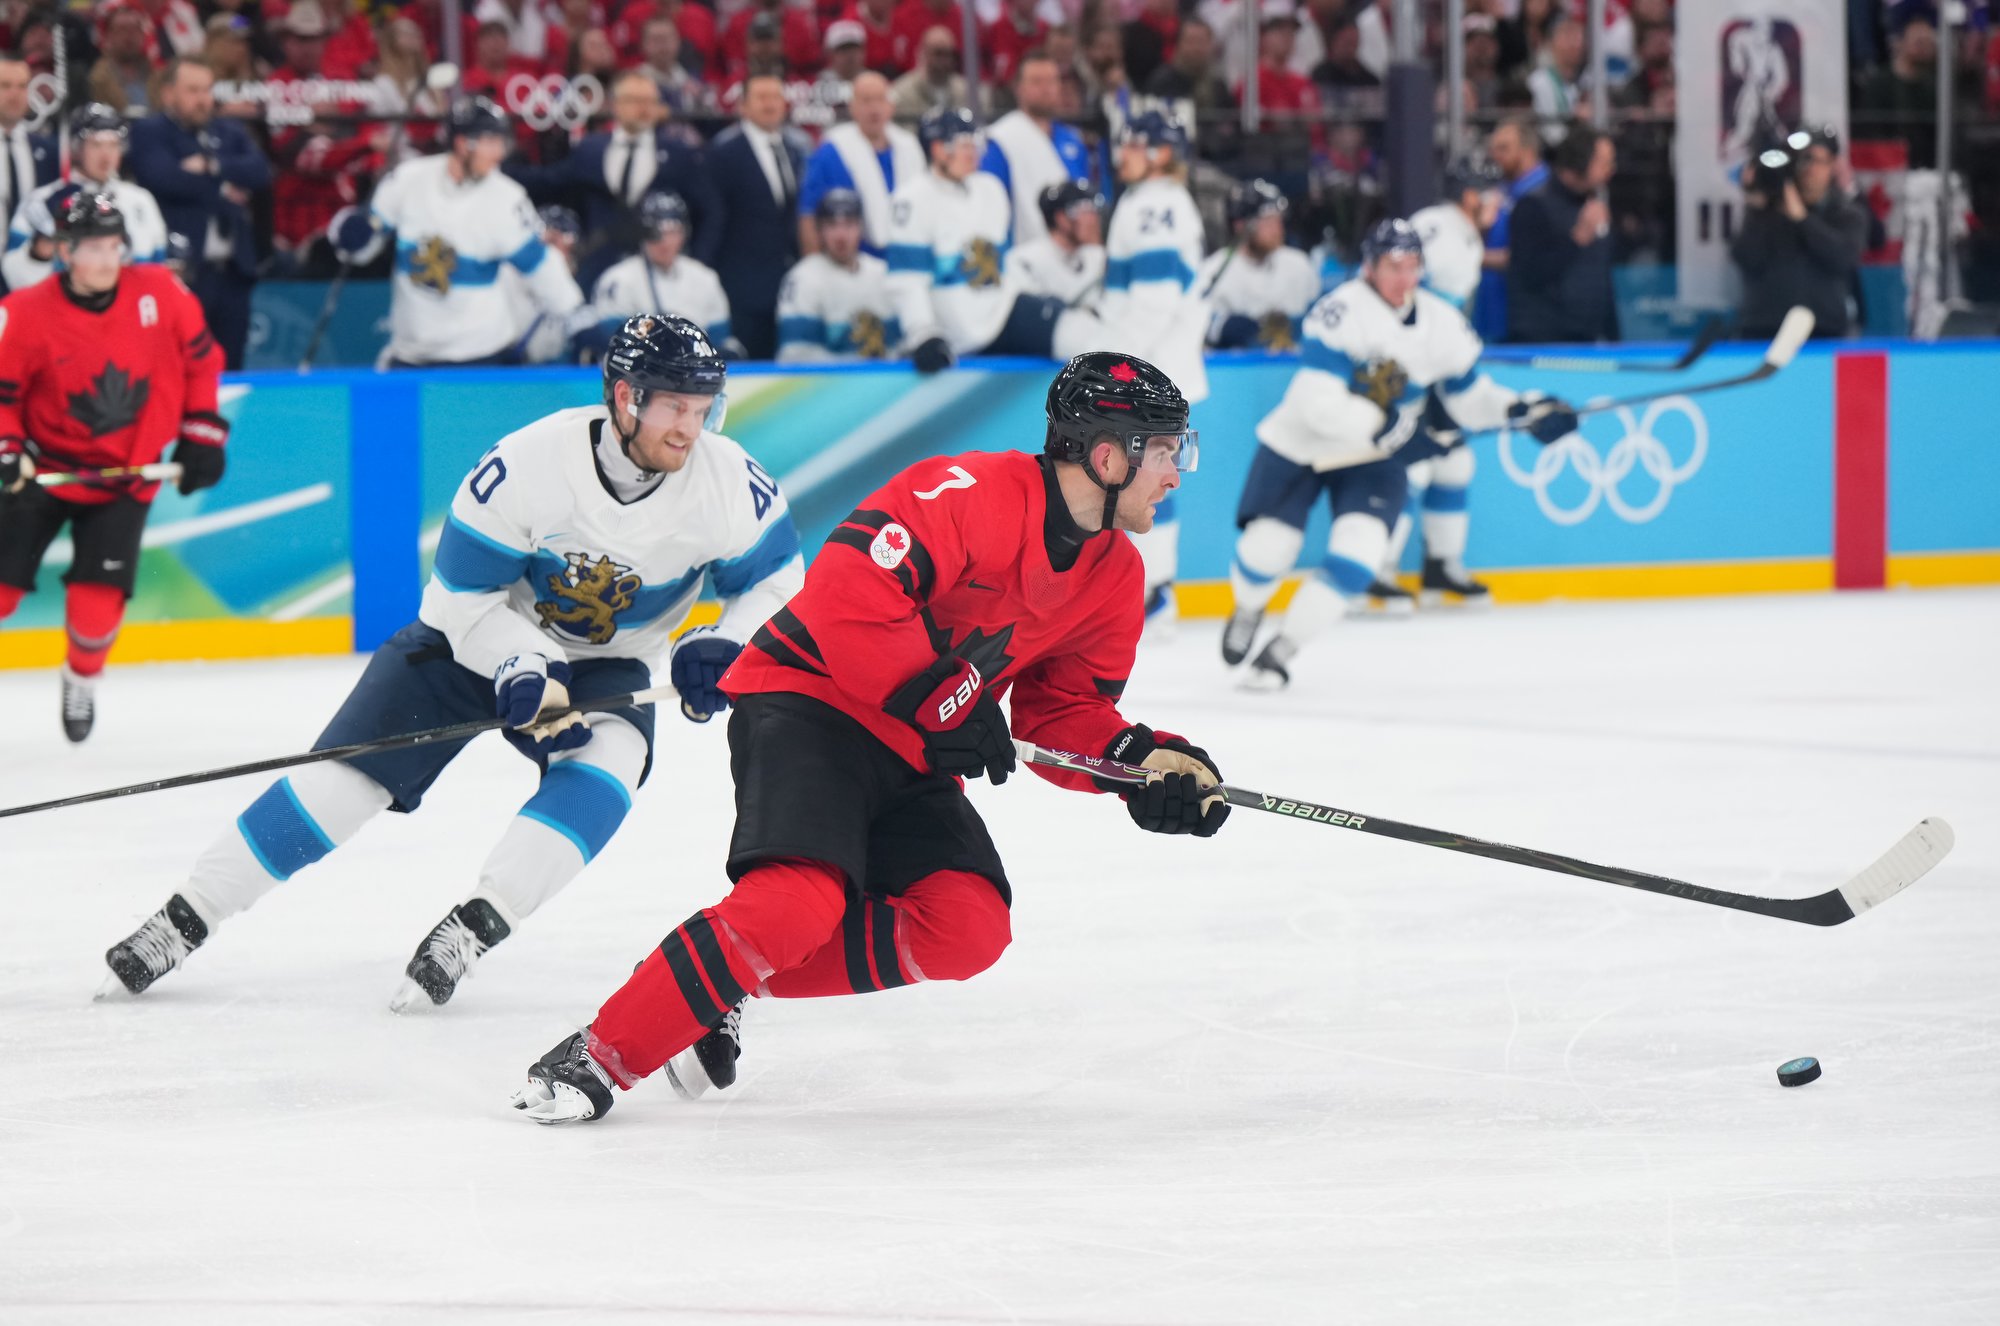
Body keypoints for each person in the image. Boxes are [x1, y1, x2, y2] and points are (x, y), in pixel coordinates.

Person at [507, 351, 1229, 1124]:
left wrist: (1137, 764)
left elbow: (1062, 712)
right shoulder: (969, 492)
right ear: (1109, 456)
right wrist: (940, 699)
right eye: (1166, 452)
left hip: (911, 748)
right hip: (808, 700)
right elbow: (850, 586)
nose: (1176, 474)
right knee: (796, 904)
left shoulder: (1115, 578)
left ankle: (714, 980)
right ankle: (596, 1056)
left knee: (968, 924)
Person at [99, 315, 807, 1007]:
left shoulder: (726, 480)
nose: (690, 427)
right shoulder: (528, 464)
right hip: (469, 645)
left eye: (703, 408)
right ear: (626, 398)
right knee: (345, 782)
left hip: (608, 663)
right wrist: (523, 661)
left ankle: (474, 927)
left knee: (608, 772)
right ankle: (185, 917)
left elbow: (777, 580)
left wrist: (727, 643)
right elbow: (463, 599)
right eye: (675, 406)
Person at [1222, 219, 1578, 686]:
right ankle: (1248, 608)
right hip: (1303, 445)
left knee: (1360, 554)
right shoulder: (1340, 311)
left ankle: (1279, 653)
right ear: (1370, 267)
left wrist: (1520, 410)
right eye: (1394, 266)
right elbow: (1315, 404)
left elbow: (1470, 397)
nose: (1405, 277)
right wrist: (1390, 428)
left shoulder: (1441, 322)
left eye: (1413, 265)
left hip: (1372, 459)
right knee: (1269, 549)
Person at [0, 193, 226, 742]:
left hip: (128, 475)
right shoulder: (23, 312)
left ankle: (80, 678)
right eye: (92, 248)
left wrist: (202, 433)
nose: (106, 260)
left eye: (113, 246)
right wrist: (7, 446)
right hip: (43, 469)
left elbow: (202, 363)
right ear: (64, 251)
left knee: (96, 610)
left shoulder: (162, 292)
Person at [330, 98, 584, 368]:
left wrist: (578, 317)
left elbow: (541, 266)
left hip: (479, 357)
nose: (499, 153)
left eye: (502, 143)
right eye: (491, 142)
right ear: (463, 143)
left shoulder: (508, 198)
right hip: (411, 354)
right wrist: (350, 234)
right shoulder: (407, 179)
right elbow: (362, 247)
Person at [1375, 154, 1507, 610]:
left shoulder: (1456, 231)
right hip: (1408, 367)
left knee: (1453, 461)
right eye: (1491, 193)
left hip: (1432, 366)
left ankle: (1440, 567)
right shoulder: (1443, 233)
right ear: (1470, 196)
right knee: (1411, 466)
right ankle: (1375, 569)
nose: (1498, 202)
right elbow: (1398, 293)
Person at [1095, 109, 1210, 632]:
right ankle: (1155, 592)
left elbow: (1155, 299)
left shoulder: (1154, 204)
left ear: (1159, 153)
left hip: (1151, 375)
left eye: (1132, 145)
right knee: (1151, 478)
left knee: (1146, 480)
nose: (1122, 154)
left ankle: (1154, 594)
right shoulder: (1159, 200)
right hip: (1164, 372)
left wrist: (1115, 366)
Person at [886, 105, 1098, 373]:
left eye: (975, 144)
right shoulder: (911, 200)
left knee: (1081, 332)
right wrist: (923, 333)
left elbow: (1002, 265)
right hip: (957, 333)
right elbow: (906, 280)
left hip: (1001, 311)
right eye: (964, 145)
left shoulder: (991, 190)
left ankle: (1130, 392)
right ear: (938, 149)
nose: (973, 152)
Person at [510, 70, 720, 292]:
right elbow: (549, 182)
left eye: (650, 101)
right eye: (634, 100)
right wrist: (500, 170)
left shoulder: (679, 154)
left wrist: (697, 263)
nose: (644, 108)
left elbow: (710, 210)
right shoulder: (590, 150)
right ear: (615, 105)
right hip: (598, 272)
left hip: (661, 278)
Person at [128, 58, 273, 370]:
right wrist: (224, 186)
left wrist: (212, 166)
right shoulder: (150, 131)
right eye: (192, 90)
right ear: (169, 94)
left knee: (231, 366)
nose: (203, 99)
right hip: (184, 272)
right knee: (179, 364)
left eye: (207, 90)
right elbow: (163, 178)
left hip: (232, 272)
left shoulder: (228, 130)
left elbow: (260, 171)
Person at [3, 105, 170, 291]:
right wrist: (41, 247)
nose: (106, 154)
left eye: (113, 145)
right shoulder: (41, 201)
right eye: (96, 145)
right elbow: (15, 278)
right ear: (77, 148)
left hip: (127, 308)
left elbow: (158, 273)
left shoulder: (141, 200)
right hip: (64, 306)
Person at [708, 73, 812, 359]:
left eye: (776, 97)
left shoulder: (795, 149)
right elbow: (714, 220)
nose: (770, 104)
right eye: (762, 98)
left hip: (787, 285)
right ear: (743, 105)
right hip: (743, 287)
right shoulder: (724, 154)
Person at [1730, 126, 1866, 340]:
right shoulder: (1767, 211)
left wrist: (1802, 218)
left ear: (1832, 165)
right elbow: (1746, 258)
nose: (1807, 168)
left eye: (1814, 160)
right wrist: (1758, 207)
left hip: (1824, 331)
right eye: (1801, 160)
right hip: (1763, 330)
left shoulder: (1847, 214)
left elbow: (1843, 258)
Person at [1505, 122, 1618, 344]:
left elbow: (1602, 278)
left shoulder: (1593, 204)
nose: (1611, 170)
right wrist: (1576, 240)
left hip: (1589, 338)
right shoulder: (1533, 205)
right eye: (1603, 162)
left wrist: (1614, 337)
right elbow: (1529, 274)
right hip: (1544, 342)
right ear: (1580, 161)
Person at [586, 192, 739, 356]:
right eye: (655, 232)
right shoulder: (617, 279)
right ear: (642, 234)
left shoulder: (705, 278)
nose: (664, 241)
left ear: (685, 233)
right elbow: (614, 341)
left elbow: (719, 339)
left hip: (695, 366)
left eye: (672, 232)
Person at [796, 70, 923, 259]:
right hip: (851, 265)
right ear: (852, 107)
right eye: (866, 100)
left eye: (880, 99)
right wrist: (813, 265)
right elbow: (808, 212)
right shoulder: (832, 150)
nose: (874, 108)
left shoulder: (909, 146)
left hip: (907, 258)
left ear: (891, 106)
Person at [979, 53, 1092, 246]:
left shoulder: (1073, 140)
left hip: (1074, 251)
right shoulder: (1001, 140)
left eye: (1052, 81)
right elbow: (991, 205)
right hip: (1023, 251)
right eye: (1037, 82)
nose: (1046, 89)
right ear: (1018, 88)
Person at [777, 188, 902, 362]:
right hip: (829, 380)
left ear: (861, 227)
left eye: (849, 224)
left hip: (885, 378)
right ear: (819, 231)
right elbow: (796, 356)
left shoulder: (884, 274)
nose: (841, 236)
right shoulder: (802, 280)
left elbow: (901, 345)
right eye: (832, 225)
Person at [1200, 178, 1315, 351]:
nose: (1277, 230)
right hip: (1237, 365)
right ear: (1241, 226)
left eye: (1278, 221)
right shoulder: (1214, 269)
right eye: (1268, 222)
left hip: (1292, 361)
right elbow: (1196, 323)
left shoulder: (1299, 265)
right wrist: (1223, 327)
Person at [1474, 115, 1546, 342]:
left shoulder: (1545, 192)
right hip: (1492, 313)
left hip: (1527, 317)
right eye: (1493, 148)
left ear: (1527, 151)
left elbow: (1529, 257)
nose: (1496, 155)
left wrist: (1470, 257)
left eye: (1504, 148)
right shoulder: (1500, 190)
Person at [0, 57, 58, 292]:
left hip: (31, 274)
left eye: (22, 86)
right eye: (5, 85)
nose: (15, 94)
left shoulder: (47, 150)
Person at [1003, 179, 1105, 308]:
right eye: (1085, 211)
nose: (1093, 219)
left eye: (1094, 211)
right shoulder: (1024, 261)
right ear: (1061, 218)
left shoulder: (1098, 257)